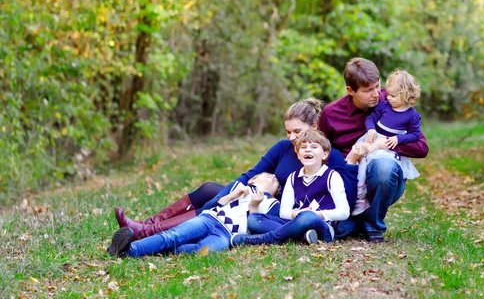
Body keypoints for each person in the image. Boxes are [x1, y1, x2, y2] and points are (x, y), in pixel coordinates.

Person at [113, 99, 359, 240]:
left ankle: (145, 232)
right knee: (209, 189)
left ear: (314, 126)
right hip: (254, 198)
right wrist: (231, 192)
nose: (293, 137)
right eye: (288, 131)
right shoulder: (284, 148)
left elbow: (344, 193)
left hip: (272, 213)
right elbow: (251, 173)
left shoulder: (326, 154)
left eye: (298, 131)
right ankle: (147, 225)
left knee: (213, 203)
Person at [318, 58, 429, 242]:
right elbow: (321, 153)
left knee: (383, 166)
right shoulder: (331, 114)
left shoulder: (393, 99)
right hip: (348, 182)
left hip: (385, 180)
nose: (376, 94)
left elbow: (421, 147)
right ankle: (358, 221)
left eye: (377, 86)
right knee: (338, 231)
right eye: (368, 90)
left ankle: (373, 224)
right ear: (350, 90)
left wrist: (381, 143)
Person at [107, 173, 280, 258]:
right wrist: (232, 196)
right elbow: (212, 205)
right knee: (172, 235)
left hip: (226, 234)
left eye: (276, 182)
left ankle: (161, 249)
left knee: (203, 252)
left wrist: (254, 206)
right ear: (252, 180)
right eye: (267, 175)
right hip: (209, 218)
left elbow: (257, 226)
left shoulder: (272, 204)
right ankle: (130, 251)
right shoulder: (239, 187)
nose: (273, 176)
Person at [231, 130, 350, 246]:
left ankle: (263, 239)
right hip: (297, 221)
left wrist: (317, 214)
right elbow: (284, 212)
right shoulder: (293, 178)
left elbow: (344, 212)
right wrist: (297, 213)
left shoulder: (332, 176)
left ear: (325, 154)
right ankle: (303, 237)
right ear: (298, 154)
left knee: (308, 217)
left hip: (323, 226)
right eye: (303, 147)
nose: (308, 149)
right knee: (254, 219)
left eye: (314, 147)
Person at [352, 70, 422, 215]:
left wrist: (398, 139)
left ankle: (372, 205)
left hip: (390, 147)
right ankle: (359, 194)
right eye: (388, 94)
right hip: (374, 138)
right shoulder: (384, 106)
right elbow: (370, 118)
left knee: (384, 169)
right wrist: (370, 129)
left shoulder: (413, 116)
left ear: (406, 95)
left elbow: (415, 135)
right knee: (361, 161)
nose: (387, 97)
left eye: (393, 95)